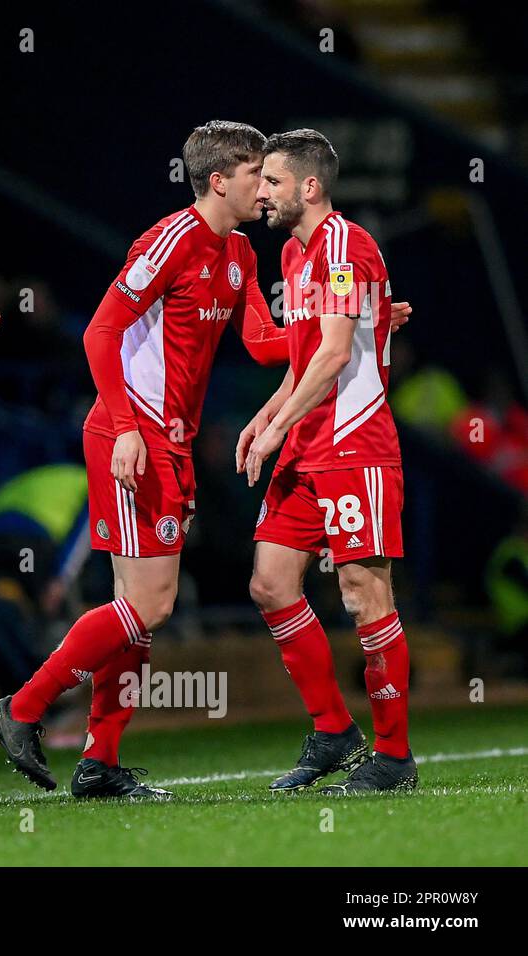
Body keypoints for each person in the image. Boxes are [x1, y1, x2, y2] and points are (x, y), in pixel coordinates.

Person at [0, 120, 414, 799]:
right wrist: (125, 428)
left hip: (176, 444)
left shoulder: (243, 254)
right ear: (221, 179)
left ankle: (99, 763)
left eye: (271, 178)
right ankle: (24, 708)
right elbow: (100, 332)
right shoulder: (170, 240)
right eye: (255, 176)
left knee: (144, 607)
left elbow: (275, 344)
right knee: (149, 602)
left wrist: (367, 318)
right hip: (132, 437)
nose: (262, 191)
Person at [240, 129, 417, 793]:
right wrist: (268, 419)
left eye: (273, 183)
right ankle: (335, 729)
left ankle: (394, 757)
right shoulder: (292, 253)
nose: (261, 194)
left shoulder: (345, 244)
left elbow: (338, 354)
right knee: (271, 582)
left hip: (356, 446)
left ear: (309, 187)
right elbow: (305, 356)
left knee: (363, 592)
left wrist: (274, 426)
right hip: (308, 444)